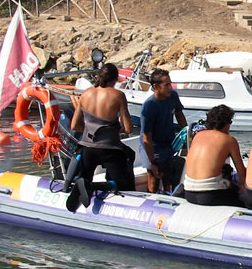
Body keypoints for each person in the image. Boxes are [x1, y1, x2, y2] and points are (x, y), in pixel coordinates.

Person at [71, 62, 135, 191]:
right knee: (124, 182)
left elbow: (74, 125)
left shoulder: (85, 94)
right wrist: (116, 129)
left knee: (85, 177)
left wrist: (92, 131)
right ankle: (106, 186)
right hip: (110, 148)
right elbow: (129, 129)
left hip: (87, 147)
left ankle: (85, 187)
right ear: (115, 79)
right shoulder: (118, 95)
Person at [183, 104, 246, 206]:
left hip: (188, 192)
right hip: (210, 195)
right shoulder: (229, 140)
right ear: (226, 123)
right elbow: (242, 173)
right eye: (230, 122)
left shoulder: (198, 136)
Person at [140, 68, 187, 193]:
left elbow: (179, 114)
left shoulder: (173, 96)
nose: (170, 88)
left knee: (169, 178)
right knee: (154, 181)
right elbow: (146, 138)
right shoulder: (149, 106)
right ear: (156, 86)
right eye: (166, 85)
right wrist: (152, 162)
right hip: (153, 148)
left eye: (170, 84)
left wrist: (187, 133)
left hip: (168, 145)